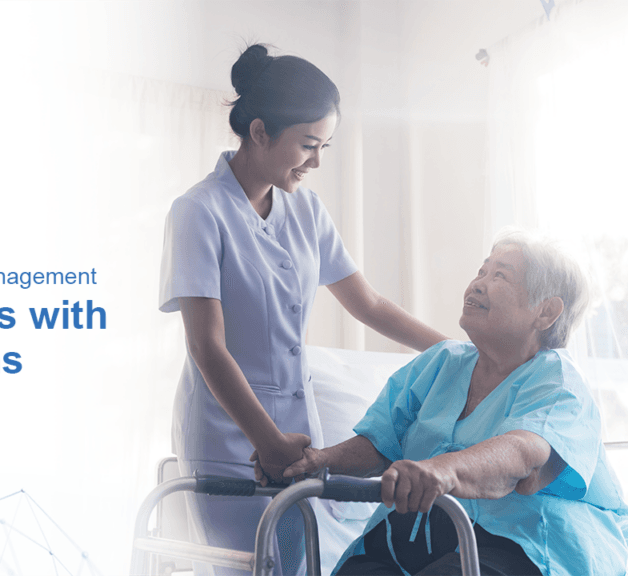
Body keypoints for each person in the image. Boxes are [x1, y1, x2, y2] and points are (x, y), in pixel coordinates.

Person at [158, 44, 448, 576]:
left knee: (299, 565)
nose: (316, 162)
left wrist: (454, 351)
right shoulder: (198, 212)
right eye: (308, 145)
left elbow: (368, 304)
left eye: (325, 146)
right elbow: (206, 346)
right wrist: (265, 441)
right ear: (262, 132)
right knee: (245, 568)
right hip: (231, 433)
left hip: (298, 434)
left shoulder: (306, 209)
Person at [277, 230, 628, 575]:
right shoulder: (440, 363)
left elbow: (525, 453)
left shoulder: (557, 379)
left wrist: (443, 469)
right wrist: (318, 461)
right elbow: (381, 443)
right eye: (482, 271)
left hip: (525, 544)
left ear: (546, 312)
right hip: (412, 540)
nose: (478, 283)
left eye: (500, 275)